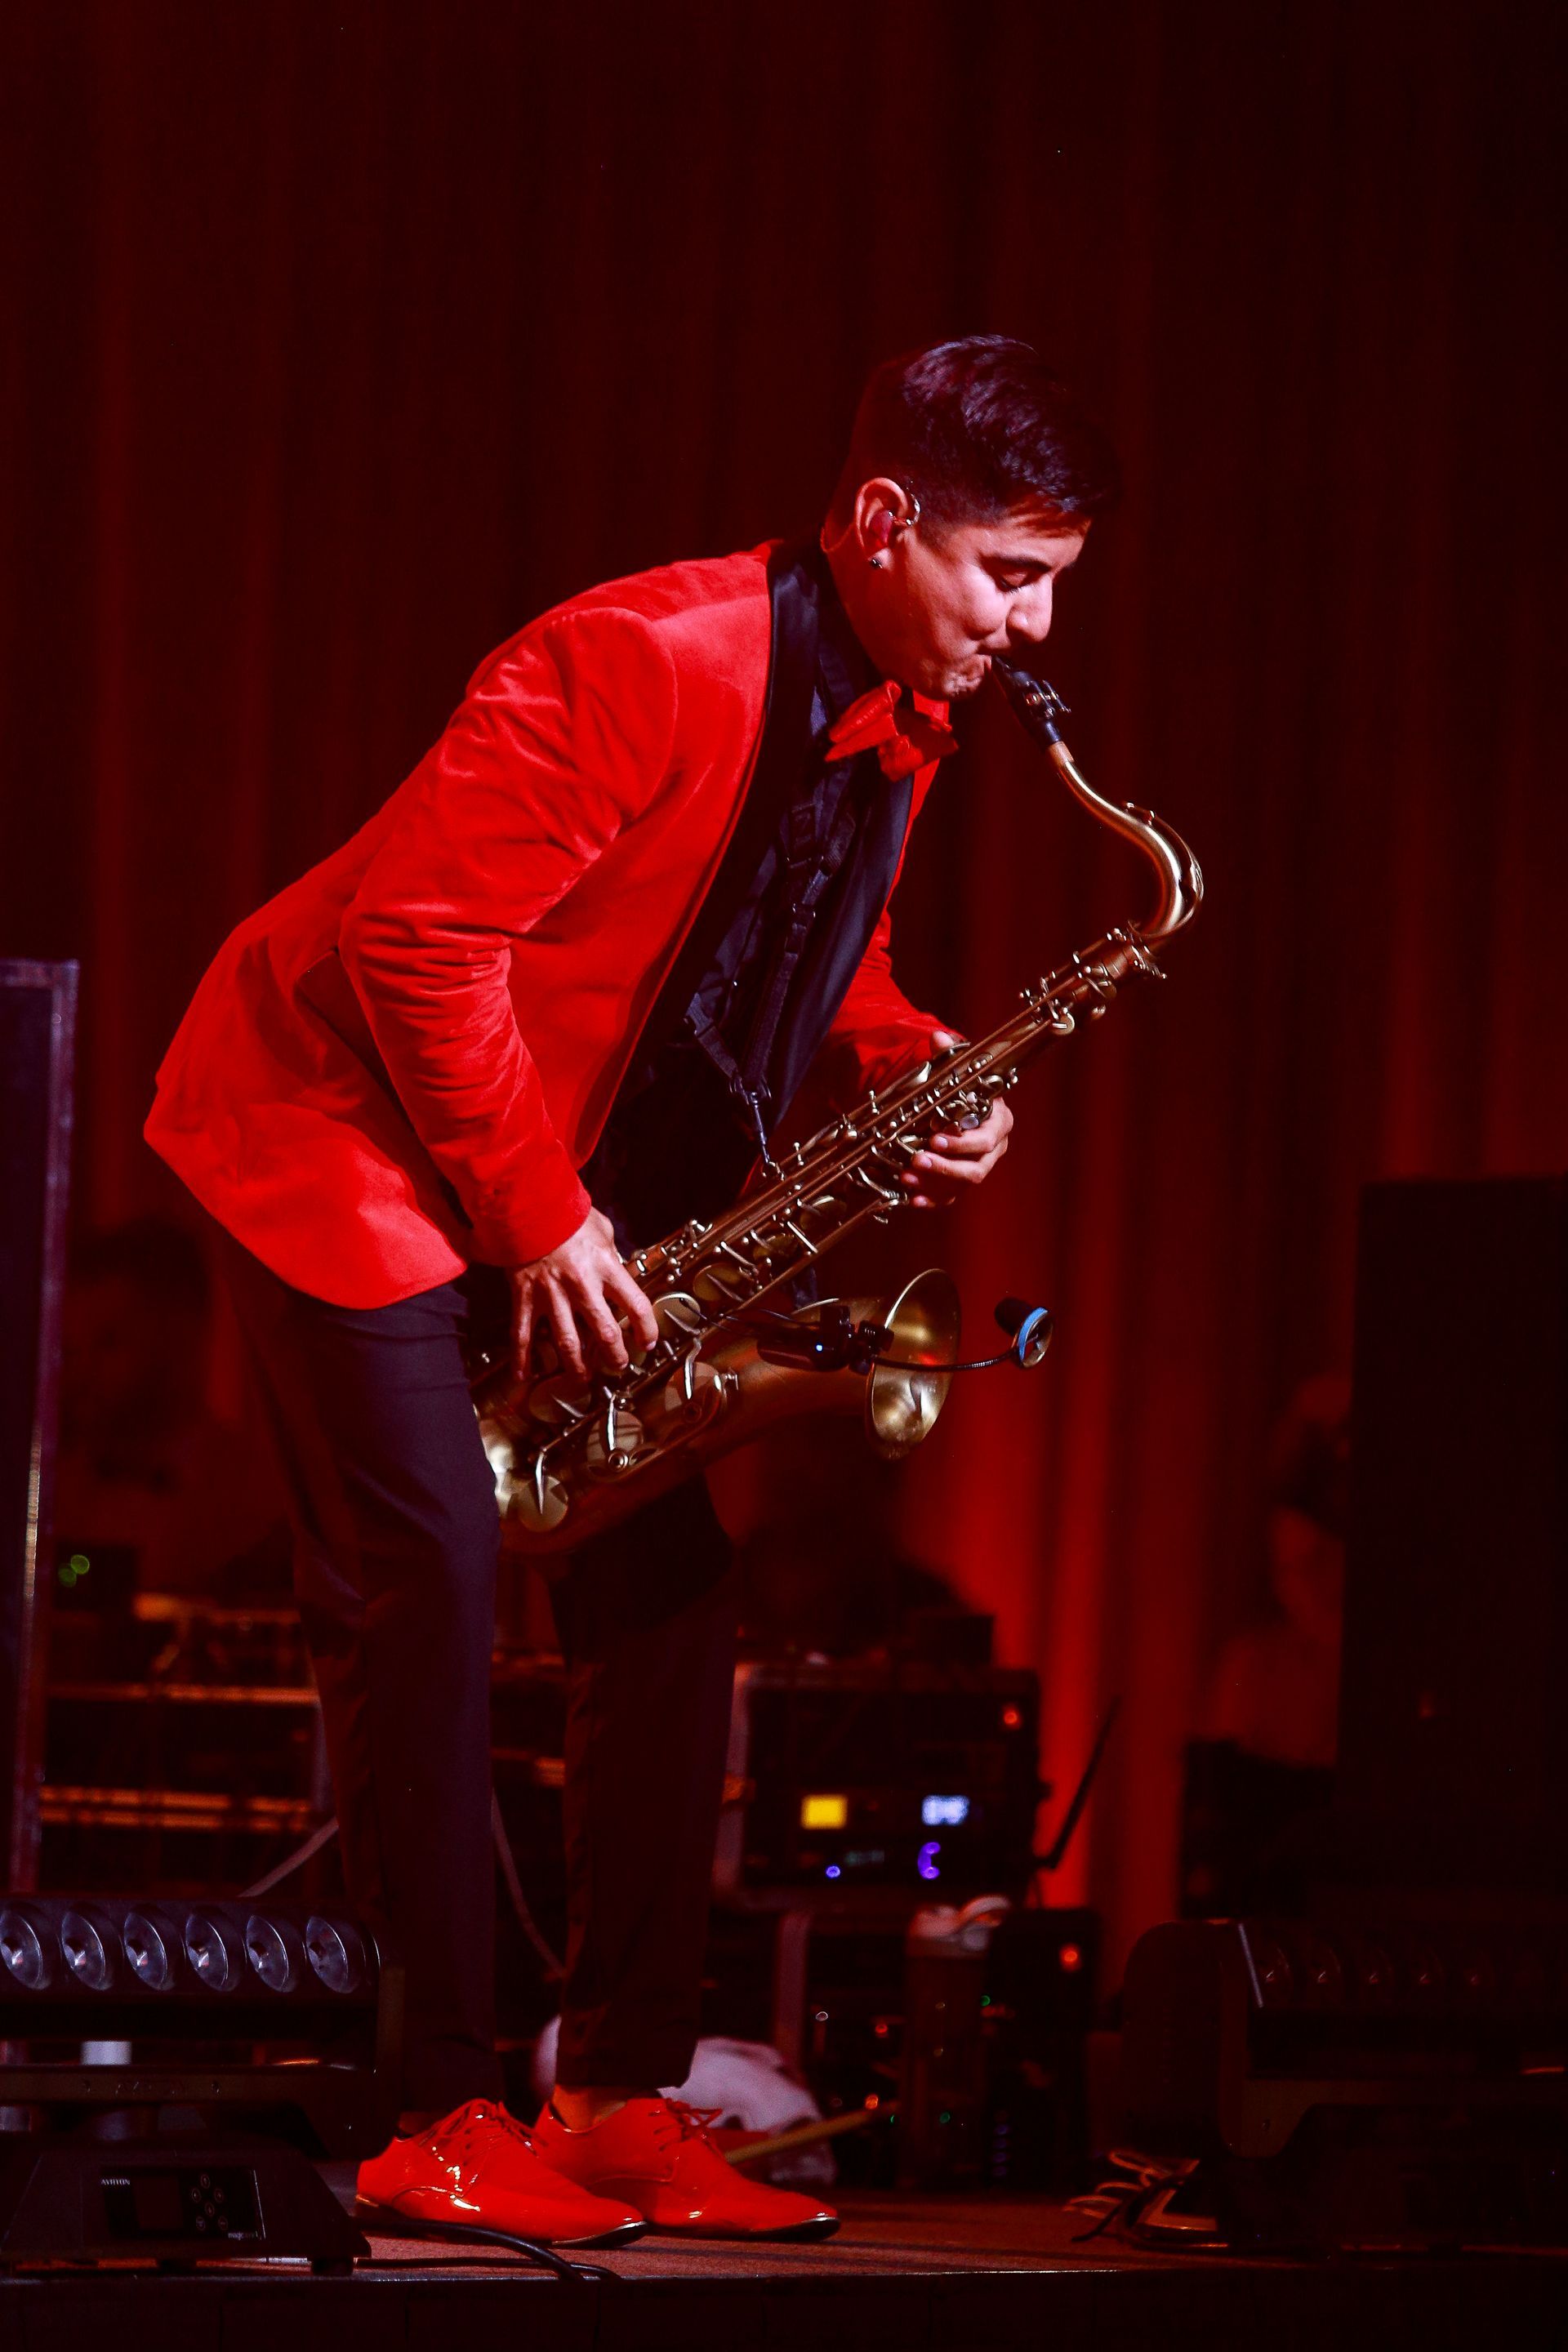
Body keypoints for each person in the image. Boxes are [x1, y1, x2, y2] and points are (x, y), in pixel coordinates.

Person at [145, 336, 1119, 2246]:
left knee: (671, 1594)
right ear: (883, 522)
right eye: (1009, 570)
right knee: (425, 1572)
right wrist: (536, 1219)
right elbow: (411, 938)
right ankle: (412, 2106)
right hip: (338, 1138)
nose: (1032, 621)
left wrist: (908, 1063)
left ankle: (614, 2094)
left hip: (549, 1185)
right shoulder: (639, 659)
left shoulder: (901, 719)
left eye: (1058, 581)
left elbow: (812, 947)